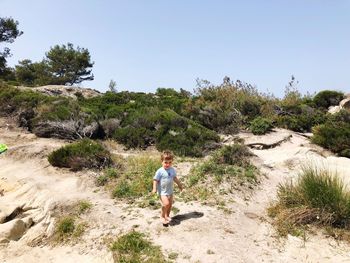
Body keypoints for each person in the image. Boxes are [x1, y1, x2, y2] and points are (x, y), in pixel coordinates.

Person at [152, 150, 183, 225]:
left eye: (170, 162)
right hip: (162, 192)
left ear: (172, 162)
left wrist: (180, 185)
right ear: (162, 161)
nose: (167, 164)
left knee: (169, 204)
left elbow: (175, 178)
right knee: (166, 203)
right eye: (166, 162)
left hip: (170, 191)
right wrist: (154, 188)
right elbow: (155, 180)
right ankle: (162, 216)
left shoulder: (172, 170)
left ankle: (167, 215)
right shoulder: (160, 171)